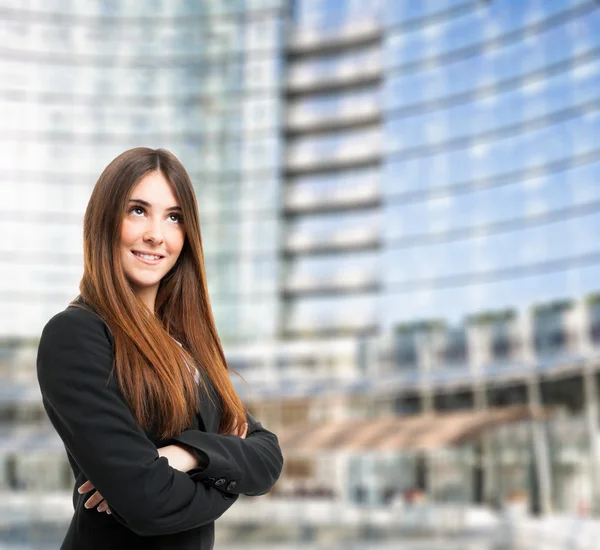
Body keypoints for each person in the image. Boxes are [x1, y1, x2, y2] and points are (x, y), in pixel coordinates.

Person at [36, 147, 284, 549]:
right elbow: (150, 502)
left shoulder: (185, 346)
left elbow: (268, 456)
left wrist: (187, 455)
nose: (157, 234)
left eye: (174, 217)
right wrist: (228, 465)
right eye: (138, 210)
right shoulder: (75, 335)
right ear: (104, 221)